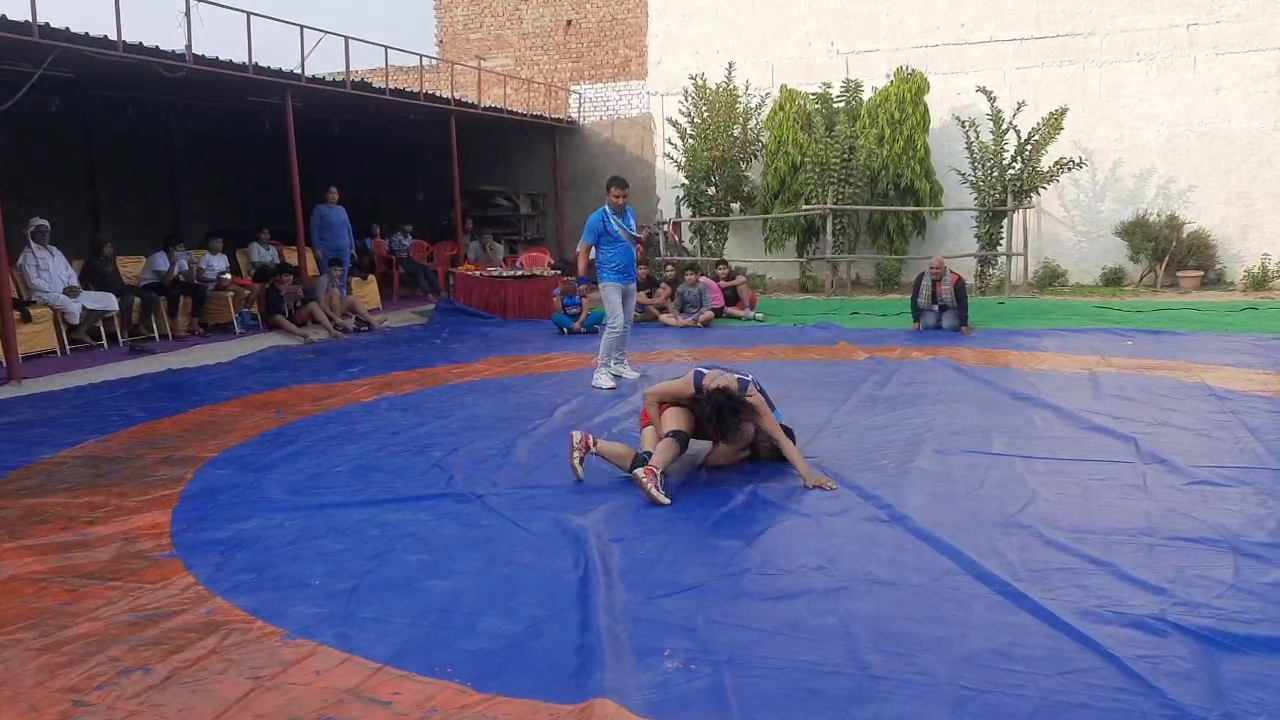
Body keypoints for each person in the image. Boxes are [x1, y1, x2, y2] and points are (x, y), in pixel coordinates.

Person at [570, 366, 836, 505]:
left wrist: (808, 474)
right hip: (667, 409)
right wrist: (662, 431)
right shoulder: (691, 385)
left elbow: (780, 437)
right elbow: (651, 396)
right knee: (674, 437)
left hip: (680, 413)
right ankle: (655, 469)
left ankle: (589, 442)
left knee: (645, 462)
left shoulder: (753, 399)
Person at [577, 175, 643, 390]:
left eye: (624, 196)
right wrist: (582, 278)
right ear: (607, 195)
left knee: (627, 322)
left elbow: (631, 238)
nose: (621, 201)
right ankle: (601, 371)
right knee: (615, 322)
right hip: (609, 277)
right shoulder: (597, 219)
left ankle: (619, 363)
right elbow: (584, 250)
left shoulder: (630, 213)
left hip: (629, 276)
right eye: (616, 197)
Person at [17, 217, 120, 345]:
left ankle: (80, 331)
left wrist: (73, 287)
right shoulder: (28, 256)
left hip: (69, 291)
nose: (45, 235)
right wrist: (61, 290)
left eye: (47, 232)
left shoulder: (55, 251)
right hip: (45, 295)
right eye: (40, 232)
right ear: (32, 234)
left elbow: (69, 272)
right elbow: (33, 282)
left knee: (108, 299)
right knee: (67, 303)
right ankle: (76, 332)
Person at [78, 233, 160, 339]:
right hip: (106, 291)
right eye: (107, 247)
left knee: (151, 296)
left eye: (111, 247)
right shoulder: (91, 263)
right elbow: (83, 281)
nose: (110, 250)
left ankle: (141, 325)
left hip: (121, 288)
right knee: (129, 299)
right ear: (99, 248)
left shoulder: (111, 260)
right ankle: (125, 330)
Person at [140, 235, 209, 338]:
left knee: (200, 289)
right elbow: (165, 282)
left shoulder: (181, 259)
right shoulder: (157, 258)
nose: (183, 250)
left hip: (171, 282)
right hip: (151, 284)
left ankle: (194, 323)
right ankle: (175, 325)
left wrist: (191, 267)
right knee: (174, 291)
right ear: (171, 248)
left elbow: (190, 279)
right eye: (180, 247)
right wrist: (172, 265)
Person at [263, 263, 344, 343]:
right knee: (278, 317)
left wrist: (300, 298)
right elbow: (271, 310)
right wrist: (284, 298)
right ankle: (305, 335)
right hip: (277, 319)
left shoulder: (295, 286)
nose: (289, 278)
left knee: (313, 305)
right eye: (285, 276)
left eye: (290, 276)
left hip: (292, 316)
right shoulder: (271, 289)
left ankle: (331, 331)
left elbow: (311, 299)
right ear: (278, 276)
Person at [309, 185, 356, 298]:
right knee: (327, 277)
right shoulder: (319, 209)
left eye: (336, 193)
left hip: (343, 248)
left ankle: (341, 301)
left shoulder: (342, 210)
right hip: (326, 249)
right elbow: (314, 230)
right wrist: (316, 248)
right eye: (331, 193)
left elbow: (348, 229)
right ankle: (328, 303)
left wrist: (352, 247)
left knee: (342, 276)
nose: (334, 196)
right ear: (326, 195)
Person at [319, 256, 387, 331]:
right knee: (335, 292)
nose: (337, 273)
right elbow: (321, 304)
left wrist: (347, 313)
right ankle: (337, 322)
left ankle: (372, 321)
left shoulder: (335, 280)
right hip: (322, 312)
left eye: (339, 271)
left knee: (352, 298)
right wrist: (335, 318)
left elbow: (336, 302)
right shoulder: (323, 280)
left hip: (333, 310)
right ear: (328, 269)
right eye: (334, 270)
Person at [910, 255, 973, 335]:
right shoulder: (921, 278)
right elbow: (914, 299)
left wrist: (964, 324)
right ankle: (938, 320)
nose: (934, 271)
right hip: (930, 308)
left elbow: (963, 302)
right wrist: (916, 321)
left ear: (944, 268)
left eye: (937, 268)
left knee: (950, 327)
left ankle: (947, 320)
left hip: (949, 308)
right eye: (931, 268)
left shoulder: (956, 279)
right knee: (928, 326)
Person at [197, 234, 256, 319]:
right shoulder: (205, 257)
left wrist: (227, 278)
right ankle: (235, 316)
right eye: (218, 242)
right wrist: (216, 279)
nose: (222, 244)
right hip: (212, 283)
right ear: (210, 244)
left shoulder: (223, 257)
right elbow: (199, 277)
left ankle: (246, 311)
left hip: (225, 281)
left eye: (222, 242)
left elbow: (228, 272)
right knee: (240, 291)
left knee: (253, 288)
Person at [387, 222, 443, 301]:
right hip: (398, 260)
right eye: (407, 226)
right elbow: (394, 253)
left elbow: (408, 251)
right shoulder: (396, 237)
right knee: (418, 271)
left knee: (425, 268)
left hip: (408, 259)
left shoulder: (409, 237)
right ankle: (428, 294)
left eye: (410, 226)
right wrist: (399, 265)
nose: (409, 227)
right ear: (402, 226)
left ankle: (439, 291)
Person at [660, 262, 715, 327]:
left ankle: (686, 323)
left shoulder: (703, 286)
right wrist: (679, 318)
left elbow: (707, 306)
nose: (689, 277)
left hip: (699, 315)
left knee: (710, 314)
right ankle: (691, 324)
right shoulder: (681, 288)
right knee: (662, 317)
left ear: (697, 275)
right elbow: (676, 307)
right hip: (685, 315)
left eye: (691, 274)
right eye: (686, 275)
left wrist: (692, 318)